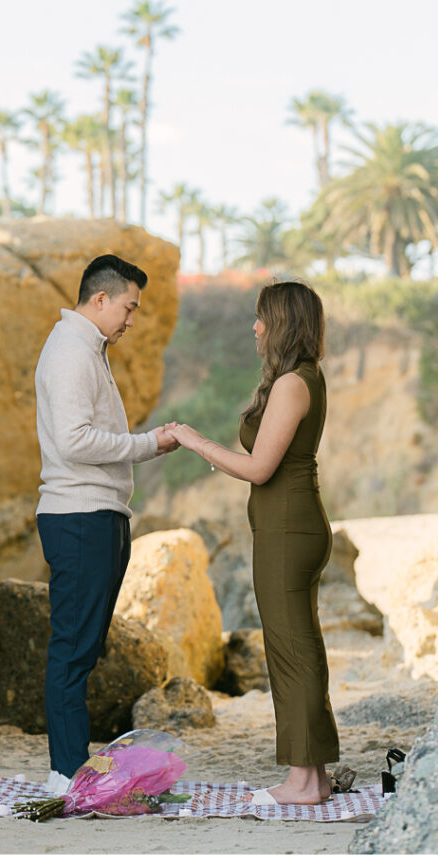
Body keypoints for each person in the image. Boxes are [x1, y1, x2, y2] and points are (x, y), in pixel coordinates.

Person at [171, 278, 339, 805]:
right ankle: (313, 775)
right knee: (298, 648)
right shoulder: (299, 378)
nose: (255, 325)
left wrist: (195, 442)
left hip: (289, 530)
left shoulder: (294, 382)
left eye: (262, 316)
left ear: (283, 321)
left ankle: (302, 781)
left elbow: (259, 468)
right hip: (288, 527)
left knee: (292, 652)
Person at [34, 253, 178, 794]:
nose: (131, 319)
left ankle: (73, 763)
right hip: (77, 516)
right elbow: (74, 440)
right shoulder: (71, 350)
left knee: (84, 646)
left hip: (98, 513)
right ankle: (65, 772)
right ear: (100, 299)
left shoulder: (85, 348)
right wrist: (148, 444)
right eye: (128, 306)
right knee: (72, 646)